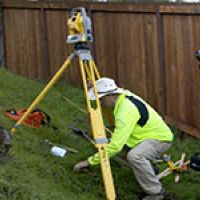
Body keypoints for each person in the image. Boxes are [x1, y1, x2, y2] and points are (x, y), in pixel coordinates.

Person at [74, 77, 173, 200]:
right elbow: (106, 85)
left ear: (110, 95)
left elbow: (116, 146)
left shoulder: (125, 111)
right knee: (109, 147)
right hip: (141, 137)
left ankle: (156, 193)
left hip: (160, 139)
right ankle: (148, 170)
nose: (100, 103)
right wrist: (93, 86)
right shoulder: (122, 95)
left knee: (135, 156)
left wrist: (88, 162)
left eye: (101, 99)